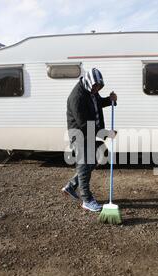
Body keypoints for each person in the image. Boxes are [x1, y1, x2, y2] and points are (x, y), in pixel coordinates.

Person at [62, 68, 118, 212]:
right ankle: (87, 200)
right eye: (95, 87)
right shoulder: (77, 97)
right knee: (84, 164)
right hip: (81, 135)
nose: (96, 89)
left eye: (99, 87)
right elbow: (85, 125)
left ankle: (71, 185)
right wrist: (106, 134)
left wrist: (109, 100)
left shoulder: (91, 89)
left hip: (91, 133)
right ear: (88, 83)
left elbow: (97, 102)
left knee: (100, 155)